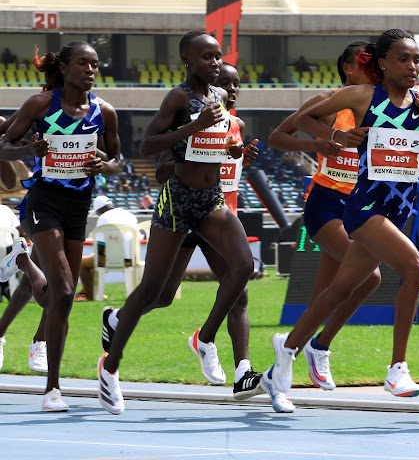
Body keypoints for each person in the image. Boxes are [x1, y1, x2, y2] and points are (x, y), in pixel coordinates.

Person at [97, 30, 256, 415]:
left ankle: (205, 339)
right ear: (187, 61)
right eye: (206, 57)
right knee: (153, 292)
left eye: (218, 56)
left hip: (211, 199)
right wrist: (193, 127)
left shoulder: (219, 99)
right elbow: (148, 145)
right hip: (177, 201)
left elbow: (213, 149)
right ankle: (110, 369)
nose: (214, 63)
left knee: (244, 267)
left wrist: (234, 151)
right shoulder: (179, 98)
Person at [282, 28, 419, 399]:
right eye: (403, 59)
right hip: (365, 207)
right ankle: (397, 369)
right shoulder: (363, 95)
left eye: (417, 59)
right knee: (416, 270)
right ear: (383, 63)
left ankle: (289, 349)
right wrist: (335, 139)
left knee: (339, 288)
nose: (412, 66)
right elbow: (304, 119)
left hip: (399, 209)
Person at [0, 41, 120, 412]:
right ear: (65, 69)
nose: (90, 69)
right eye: (82, 63)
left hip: (77, 205)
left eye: (95, 64)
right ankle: (52, 389)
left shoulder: (104, 111)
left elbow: (116, 158)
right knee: (65, 289)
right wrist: (26, 151)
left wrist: (105, 165)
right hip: (42, 202)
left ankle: (47, 364)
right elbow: (3, 144)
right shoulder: (42, 105)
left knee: (61, 298)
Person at [266, 41, 381, 410]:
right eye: (365, 63)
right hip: (326, 204)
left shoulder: (380, 105)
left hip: (358, 205)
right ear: (348, 68)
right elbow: (277, 137)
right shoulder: (328, 101)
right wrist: (324, 141)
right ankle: (321, 345)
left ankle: (280, 372)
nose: (372, 69)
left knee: (323, 299)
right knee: (371, 275)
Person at [74, 195, 138, 301]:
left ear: (99, 210)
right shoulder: (130, 215)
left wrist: (96, 254)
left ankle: (90, 296)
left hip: (111, 259)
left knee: (81, 263)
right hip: (132, 259)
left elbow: (100, 247)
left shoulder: (104, 217)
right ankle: (90, 293)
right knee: (93, 268)